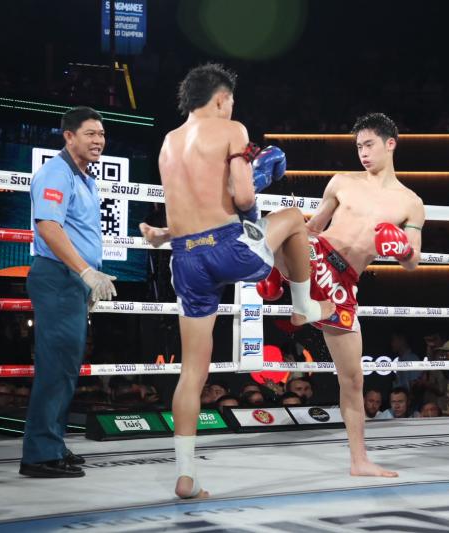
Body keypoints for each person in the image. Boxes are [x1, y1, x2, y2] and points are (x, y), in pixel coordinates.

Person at [138, 63, 334, 499]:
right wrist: (257, 176)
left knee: (193, 371)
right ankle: (303, 305)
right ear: (222, 99)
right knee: (292, 219)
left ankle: (186, 475)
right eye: (231, 102)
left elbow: (185, 212)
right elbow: (244, 197)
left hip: (185, 258)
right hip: (228, 249)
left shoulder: (168, 143)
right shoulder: (232, 130)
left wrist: (162, 234)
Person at [262, 113, 425, 476]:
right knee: (290, 217)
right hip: (316, 256)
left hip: (343, 284)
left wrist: (401, 249)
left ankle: (359, 461)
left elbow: (413, 260)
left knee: (352, 380)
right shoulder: (342, 182)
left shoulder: (411, 202)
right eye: (358, 147)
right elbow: (314, 227)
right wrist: (289, 249)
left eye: (369, 145)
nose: (363, 153)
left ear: (390, 144)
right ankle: (267, 266)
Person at [20, 106, 117, 479]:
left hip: (70, 280)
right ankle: (40, 455)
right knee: (56, 366)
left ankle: (53, 444)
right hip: (58, 276)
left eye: (102, 134)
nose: (99, 140)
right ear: (69, 136)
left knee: (65, 367)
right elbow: (49, 226)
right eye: (91, 133)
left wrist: (85, 277)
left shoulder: (84, 177)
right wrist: (85, 271)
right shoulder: (56, 173)